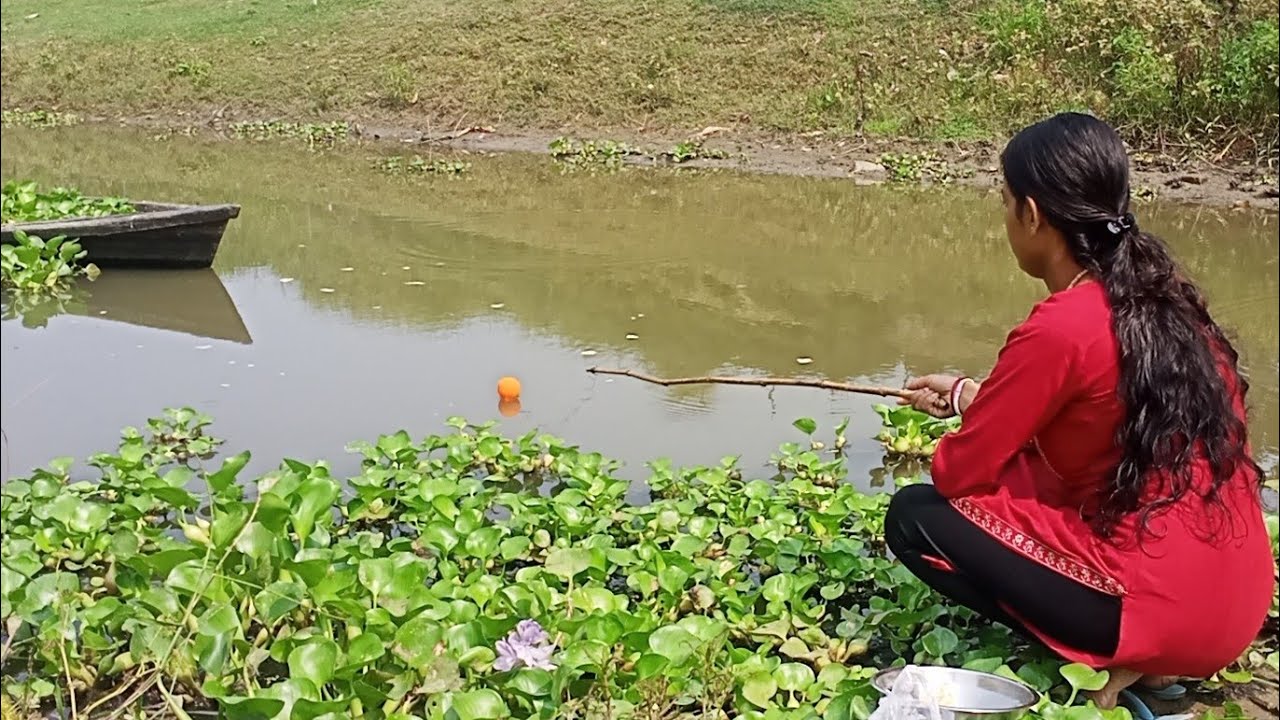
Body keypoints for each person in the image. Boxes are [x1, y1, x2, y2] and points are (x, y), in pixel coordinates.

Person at [884, 112, 1273, 709]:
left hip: (1159, 612)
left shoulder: (1060, 327)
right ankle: (1155, 669)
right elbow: (1098, 409)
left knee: (914, 515)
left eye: (1006, 203)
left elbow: (958, 474)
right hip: (1237, 603)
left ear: (1032, 215)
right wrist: (967, 395)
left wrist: (978, 426)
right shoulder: (1170, 302)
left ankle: (1119, 663)